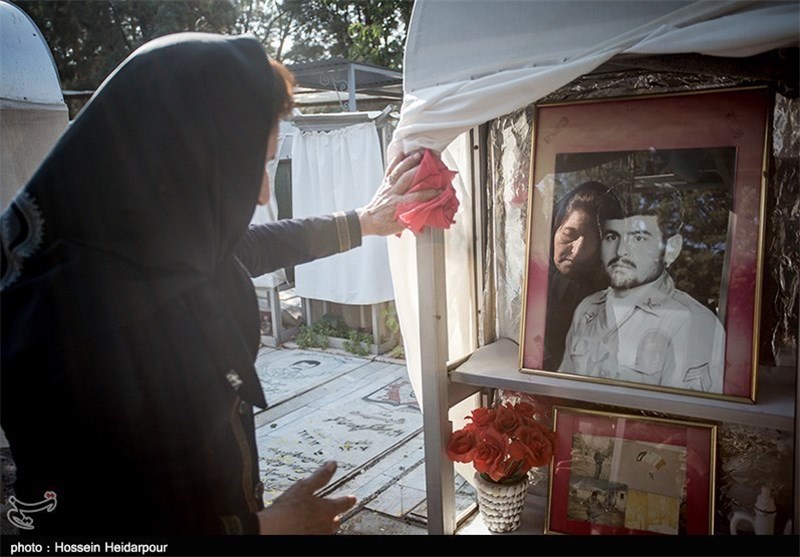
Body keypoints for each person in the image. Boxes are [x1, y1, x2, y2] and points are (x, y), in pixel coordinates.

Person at [0, 32, 438, 535]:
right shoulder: (61, 328)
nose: (261, 193)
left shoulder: (155, 248)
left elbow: (254, 246)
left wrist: (363, 220)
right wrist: (266, 528)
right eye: (253, 165)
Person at [558, 184, 726, 393]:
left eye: (638, 238)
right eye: (612, 236)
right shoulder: (588, 310)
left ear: (671, 249)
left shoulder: (692, 322)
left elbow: (687, 418)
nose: (620, 251)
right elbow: (564, 394)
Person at [542, 181, 616, 370]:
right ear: (555, 229)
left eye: (593, 243)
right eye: (569, 235)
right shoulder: (527, 279)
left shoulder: (608, 303)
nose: (577, 252)